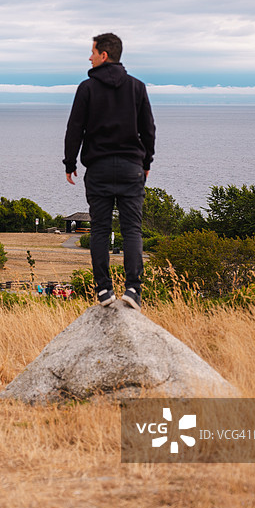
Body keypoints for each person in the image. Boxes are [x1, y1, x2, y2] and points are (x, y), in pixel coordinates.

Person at [63, 33, 155, 310]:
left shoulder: (87, 88)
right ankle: (133, 290)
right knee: (132, 230)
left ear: (104, 55)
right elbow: (148, 129)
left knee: (100, 230)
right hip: (131, 169)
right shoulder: (137, 87)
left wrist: (70, 163)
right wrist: (146, 162)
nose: (89, 57)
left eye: (92, 52)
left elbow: (74, 129)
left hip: (99, 169)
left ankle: (104, 290)